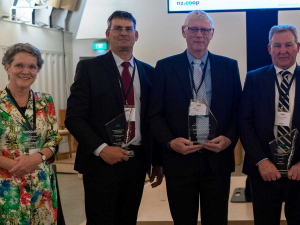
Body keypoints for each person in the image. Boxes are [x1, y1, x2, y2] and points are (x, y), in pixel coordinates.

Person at [65, 10, 163, 225]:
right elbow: (74, 117)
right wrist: (101, 149)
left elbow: (153, 120)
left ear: (136, 35)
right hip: (101, 162)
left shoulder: (149, 72)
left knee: (128, 220)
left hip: (136, 161)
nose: (124, 33)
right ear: (108, 33)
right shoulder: (90, 69)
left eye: (129, 29)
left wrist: (157, 161)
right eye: (118, 28)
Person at [148, 10, 242, 225]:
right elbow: (154, 114)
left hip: (217, 161)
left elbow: (239, 112)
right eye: (194, 29)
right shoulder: (165, 67)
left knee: (217, 220)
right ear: (184, 31)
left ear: (212, 33)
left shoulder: (229, 67)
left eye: (204, 30)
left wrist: (228, 139)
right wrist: (170, 142)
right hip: (180, 161)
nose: (199, 34)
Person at [240, 24, 300, 225]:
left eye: (288, 45)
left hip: (299, 171)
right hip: (265, 172)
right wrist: (261, 161)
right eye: (277, 45)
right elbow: (245, 123)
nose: (283, 50)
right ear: (269, 48)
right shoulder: (254, 79)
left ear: (297, 47)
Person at [0, 43, 62, 224]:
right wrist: (17, 165)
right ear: (7, 67)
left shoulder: (45, 101)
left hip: (41, 188)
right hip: (6, 189)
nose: (25, 71)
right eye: (19, 65)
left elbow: (54, 140)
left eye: (32, 67)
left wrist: (36, 158)